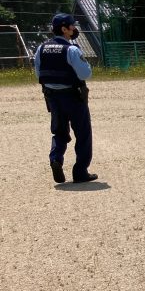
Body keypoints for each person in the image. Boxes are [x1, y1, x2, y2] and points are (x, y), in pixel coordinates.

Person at [34, 13, 97, 184]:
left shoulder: (41, 49)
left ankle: (56, 159)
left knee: (59, 132)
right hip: (73, 97)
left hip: (53, 98)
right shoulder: (72, 49)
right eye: (72, 26)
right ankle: (80, 172)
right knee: (83, 134)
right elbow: (85, 74)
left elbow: (39, 74)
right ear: (64, 29)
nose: (74, 28)